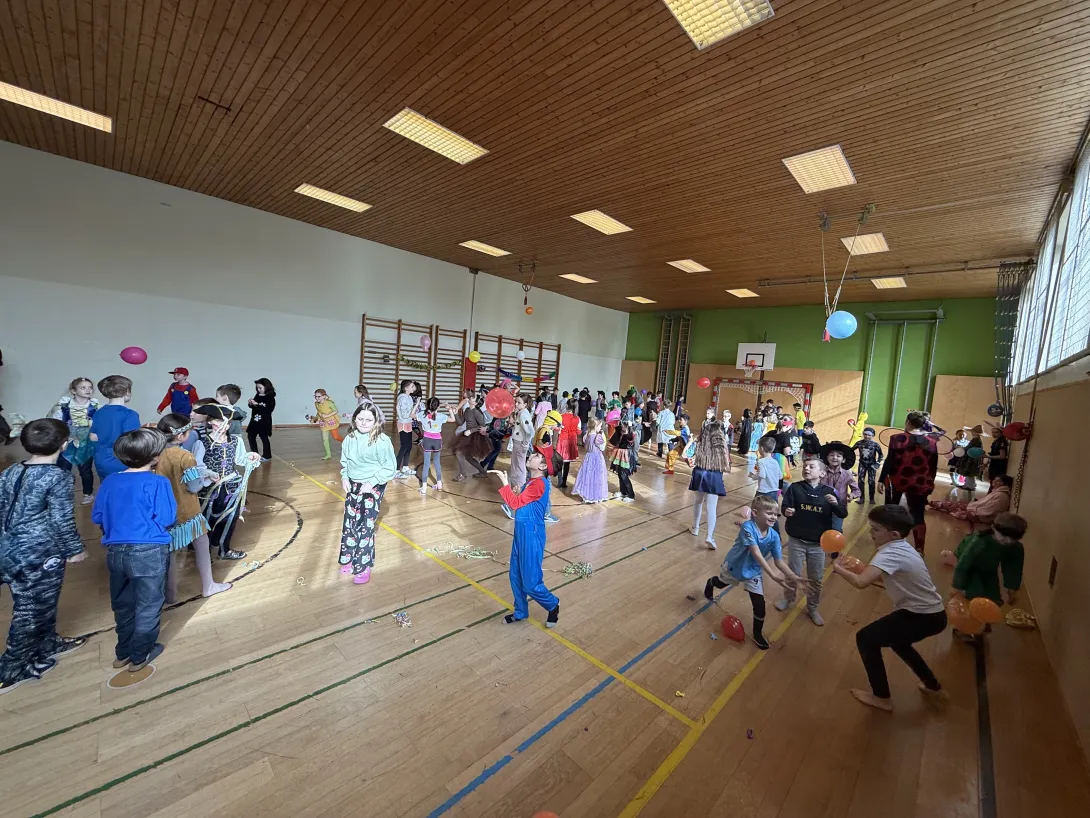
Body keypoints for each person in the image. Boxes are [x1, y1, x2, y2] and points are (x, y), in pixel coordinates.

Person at [0, 419, 88, 695]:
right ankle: (11, 669)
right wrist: (74, 549)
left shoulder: (11, 471)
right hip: (38, 553)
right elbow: (61, 520)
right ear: (64, 445)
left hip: (8, 548)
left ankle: (47, 644)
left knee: (42, 604)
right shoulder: (58, 477)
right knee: (31, 611)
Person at [831, 504, 947, 711]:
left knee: (865, 638)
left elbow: (860, 583)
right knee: (899, 643)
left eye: (876, 529)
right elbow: (887, 580)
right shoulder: (903, 547)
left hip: (921, 616)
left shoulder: (889, 554)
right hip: (933, 614)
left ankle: (881, 697)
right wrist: (864, 572)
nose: (871, 533)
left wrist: (838, 569)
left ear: (893, 534)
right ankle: (931, 684)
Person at [92, 428, 177, 672]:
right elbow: (167, 518)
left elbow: (97, 516)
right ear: (155, 457)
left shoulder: (110, 481)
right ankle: (140, 654)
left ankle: (123, 652)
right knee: (149, 604)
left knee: (123, 603)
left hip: (115, 552)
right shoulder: (158, 482)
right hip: (150, 551)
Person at [702, 495, 805, 650]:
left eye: (775, 514)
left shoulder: (774, 536)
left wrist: (793, 576)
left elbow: (778, 561)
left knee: (759, 604)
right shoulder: (748, 527)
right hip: (735, 566)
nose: (773, 517)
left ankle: (757, 633)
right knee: (721, 583)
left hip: (753, 572)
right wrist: (773, 575)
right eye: (769, 513)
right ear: (755, 513)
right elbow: (755, 552)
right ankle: (711, 582)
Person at [154, 415, 232, 602]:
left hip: (166, 512)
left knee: (171, 553)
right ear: (181, 436)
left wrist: (202, 472)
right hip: (188, 511)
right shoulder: (185, 456)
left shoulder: (156, 454)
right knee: (202, 546)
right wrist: (206, 477)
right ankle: (209, 586)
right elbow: (194, 487)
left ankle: (170, 594)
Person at [774, 459, 847, 625]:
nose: (806, 468)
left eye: (811, 466)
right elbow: (785, 506)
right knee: (792, 573)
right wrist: (787, 511)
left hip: (818, 544)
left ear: (822, 473)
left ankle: (812, 607)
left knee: (816, 578)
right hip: (796, 541)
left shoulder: (829, 492)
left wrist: (836, 504)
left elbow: (842, 513)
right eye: (805, 466)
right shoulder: (795, 488)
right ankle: (788, 598)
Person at [493, 451, 560, 627]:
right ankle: (521, 612)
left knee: (530, 582)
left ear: (542, 466)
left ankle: (552, 604)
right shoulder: (531, 482)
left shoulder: (539, 483)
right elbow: (521, 503)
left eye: (537, 455)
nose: (531, 455)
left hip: (532, 535)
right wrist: (516, 492)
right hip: (521, 533)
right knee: (515, 576)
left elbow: (514, 504)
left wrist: (505, 482)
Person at [339, 400, 397, 585]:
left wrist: (371, 483)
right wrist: (344, 477)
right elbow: (345, 461)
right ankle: (348, 557)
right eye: (360, 419)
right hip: (353, 484)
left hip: (373, 485)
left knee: (365, 525)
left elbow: (389, 468)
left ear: (376, 421)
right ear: (354, 419)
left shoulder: (382, 441)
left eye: (369, 420)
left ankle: (363, 566)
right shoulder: (350, 438)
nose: (363, 423)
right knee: (350, 522)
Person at [194, 404, 261, 560]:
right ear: (210, 421)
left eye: (228, 422)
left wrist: (251, 457)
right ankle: (204, 552)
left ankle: (224, 549)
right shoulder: (202, 443)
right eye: (219, 421)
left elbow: (240, 459)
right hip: (209, 489)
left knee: (230, 517)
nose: (224, 426)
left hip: (231, 488)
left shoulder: (236, 441)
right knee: (208, 518)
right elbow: (197, 467)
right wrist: (209, 474)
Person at [947, 512, 1026, 641]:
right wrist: (957, 586)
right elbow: (964, 564)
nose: (1008, 541)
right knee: (972, 596)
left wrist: (1012, 589)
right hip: (970, 567)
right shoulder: (979, 541)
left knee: (992, 596)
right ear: (994, 529)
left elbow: (1014, 567)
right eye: (1004, 536)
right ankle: (962, 628)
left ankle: (981, 620)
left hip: (988, 569)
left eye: (1013, 539)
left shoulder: (1014, 547)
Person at [878, 411, 939, 553]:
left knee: (891, 511)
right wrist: (930, 483)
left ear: (908, 423)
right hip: (920, 483)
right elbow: (933, 466)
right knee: (918, 515)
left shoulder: (897, 438)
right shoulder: (932, 442)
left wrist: (881, 479)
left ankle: (889, 544)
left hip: (897, 480)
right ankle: (919, 548)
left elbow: (890, 460)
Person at [51, 377, 99, 505]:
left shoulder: (94, 406)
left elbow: (99, 423)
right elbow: (55, 422)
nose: (88, 390)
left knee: (85, 470)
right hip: (68, 442)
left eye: (90, 387)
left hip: (86, 443)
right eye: (83, 387)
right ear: (73, 390)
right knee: (64, 468)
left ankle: (88, 493)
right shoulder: (64, 405)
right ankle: (63, 493)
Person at [91, 375, 141, 482]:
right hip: (121, 460)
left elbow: (93, 437)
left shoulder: (99, 412)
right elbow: (133, 441)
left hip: (101, 459)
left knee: (107, 487)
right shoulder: (129, 414)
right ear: (127, 392)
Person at [689, 421, 730, 549]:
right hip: (714, 475)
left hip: (700, 473)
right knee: (711, 507)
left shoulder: (700, 444)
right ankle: (709, 536)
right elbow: (727, 464)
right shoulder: (722, 446)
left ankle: (695, 528)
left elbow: (688, 455)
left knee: (698, 502)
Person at [416, 397, 454, 494]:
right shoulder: (441, 416)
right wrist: (449, 409)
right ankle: (439, 484)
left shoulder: (423, 415)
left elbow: (411, 415)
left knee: (426, 464)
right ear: (438, 406)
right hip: (437, 440)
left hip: (427, 440)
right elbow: (453, 419)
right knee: (437, 462)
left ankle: (424, 488)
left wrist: (416, 404)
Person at [819, 441, 858, 537]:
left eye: (838, 456)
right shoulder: (821, 472)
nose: (835, 457)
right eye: (831, 455)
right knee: (821, 528)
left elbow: (856, 490)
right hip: (822, 507)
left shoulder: (847, 474)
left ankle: (835, 545)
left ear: (843, 460)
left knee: (836, 529)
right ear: (827, 458)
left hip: (839, 507)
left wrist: (852, 495)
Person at [451, 391, 490, 481]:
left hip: (475, 436)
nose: (471, 397)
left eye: (473, 398)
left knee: (459, 453)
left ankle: (463, 474)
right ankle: (483, 472)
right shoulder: (467, 410)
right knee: (468, 457)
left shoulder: (477, 412)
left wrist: (471, 431)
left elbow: (483, 426)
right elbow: (460, 422)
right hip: (467, 434)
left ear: (475, 403)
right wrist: (456, 413)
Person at [573, 418, 610, 503]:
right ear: (596, 426)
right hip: (597, 458)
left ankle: (587, 495)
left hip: (588, 457)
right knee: (597, 476)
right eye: (600, 426)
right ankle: (595, 495)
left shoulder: (587, 435)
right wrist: (603, 436)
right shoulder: (598, 436)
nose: (600, 428)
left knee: (588, 476)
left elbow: (586, 446)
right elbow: (602, 448)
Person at [508, 393, 535, 492]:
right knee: (516, 465)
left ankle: (520, 488)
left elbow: (530, 431)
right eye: (516, 402)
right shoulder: (521, 413)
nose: (516, 404)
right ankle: (516, 487)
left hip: (520, 443)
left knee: (519, 467)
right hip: (517, 442)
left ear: (525, 404)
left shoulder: (523, 414)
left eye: (519, 402)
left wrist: (525, 444)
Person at [246, 378, 276, 461]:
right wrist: (251, 403)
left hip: (264, 422)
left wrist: (257, 405)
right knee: (250, 436)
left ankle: (267, 455)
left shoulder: (270, 398)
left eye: (260, 388)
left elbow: (268, 410)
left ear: (266, 387)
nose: (258, 390)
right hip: (254, 420)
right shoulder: (258, 395)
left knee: (264, 437)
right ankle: (254, 454)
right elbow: (254, 407)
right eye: (257, 388)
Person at [394, 381, 420, 477]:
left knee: (409, 446)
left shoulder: (408, 397)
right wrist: (416, 405)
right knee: (404, 446)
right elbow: (406, 415)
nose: (414, 388)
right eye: (412, 386)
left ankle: (405, 467)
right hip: (403, 423)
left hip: (408, 423)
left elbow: (410, 413)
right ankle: (396, 470)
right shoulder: (403, 398)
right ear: (406, 388)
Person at [852, 427, 883, 504]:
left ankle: (871, 499)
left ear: (873, 435)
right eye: (865, 434)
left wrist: (877, 463)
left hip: (872, 465)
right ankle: (861, 498)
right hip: (862, 464)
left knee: (871, 481)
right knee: (860, 481)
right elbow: (850, 451)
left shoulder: (875, 445)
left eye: (869, 435)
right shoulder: (859, 443)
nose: (866, 436)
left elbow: (881, 455)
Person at [608, 421, 637, 503]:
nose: (622, 427)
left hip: (626, 457)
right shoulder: (620, 433)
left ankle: (631, 495)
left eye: (624, 426)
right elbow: (614, 440)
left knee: (624, 475)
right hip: (620, 456)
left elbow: (630, 437)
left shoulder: (630, 436)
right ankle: (623, 491)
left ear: (628, 427)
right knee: (620, 474)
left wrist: (630, 426)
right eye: (622, 425)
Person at [309, 389, 342, 460]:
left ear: (324, 396)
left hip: (331, 421)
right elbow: (318, 412)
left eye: (319, 396)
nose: (317, 398)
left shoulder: (329, 403)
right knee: (325, 439)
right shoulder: (316, 404)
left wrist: (327, 415)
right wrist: (315, 419)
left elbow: (335, 411)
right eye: (315, 396)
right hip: (323, 423)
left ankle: (346, 442)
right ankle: (328, 454)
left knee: (336, 437)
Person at [556, 400, 581, 489]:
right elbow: (579, 431)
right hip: (572, 441)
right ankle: (564, 482)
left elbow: (558, 429)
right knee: (567, 463)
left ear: (567, 406)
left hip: (562, 440)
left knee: (560, 461)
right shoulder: (577, 418)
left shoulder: (561, 416)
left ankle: (560, 481)